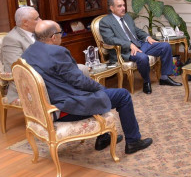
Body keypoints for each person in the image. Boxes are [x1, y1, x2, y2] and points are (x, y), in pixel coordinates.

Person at [22, 20, 153, 154]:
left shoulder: (27, 53)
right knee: (122, 95)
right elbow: (79, 81)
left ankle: (103, 138)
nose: (62, 36)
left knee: (99, 92)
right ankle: (133, 142)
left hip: (45, 109)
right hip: (65, 109)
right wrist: (99, 87)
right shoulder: (57, 52)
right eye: (61, 33)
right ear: (53, 37)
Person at [2, 6, 89, 103]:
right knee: (72, 76)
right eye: (36, 19)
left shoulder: (40, 32)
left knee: (81, 69)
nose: (41, 20)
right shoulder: (12, 39)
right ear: (25, 22)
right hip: (32, 79)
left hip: (50, 70)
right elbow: (18, 66)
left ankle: (83, 101)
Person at [99, 0, 181, 95]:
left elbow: (136, 31)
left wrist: (147, 37)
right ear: (112, 8)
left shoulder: (127, 17)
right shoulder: (105, 22)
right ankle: (146, 82)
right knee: (142, 57)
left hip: (139, 44)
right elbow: (110, 39)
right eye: (119, 6)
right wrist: (129, 44)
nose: (123, 8)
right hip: (124, 51)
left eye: (124, 5)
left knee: (165, 46)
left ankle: (164, 77)